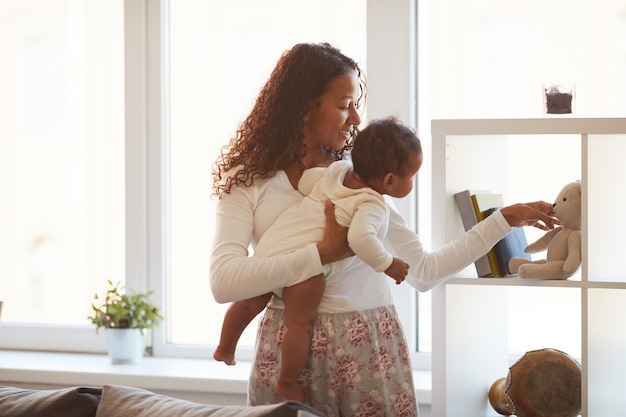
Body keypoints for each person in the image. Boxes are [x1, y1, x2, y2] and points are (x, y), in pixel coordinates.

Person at [209, 42, 557, 417]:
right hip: (286, 353)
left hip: (366, 347)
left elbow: (423, 271)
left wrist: (501, 220)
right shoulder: (250, 180)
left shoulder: (361, 182)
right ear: (305, 107)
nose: (356, 119)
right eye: (344, 104)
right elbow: (224, 282)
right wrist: (323, 253)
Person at [213, 117, 421, 402]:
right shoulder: (371, 203)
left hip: (277, 242)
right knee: (300, 323)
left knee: (251, 300)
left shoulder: (336, 171)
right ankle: (287, 381)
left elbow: (308, 181)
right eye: (411, 176)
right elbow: (362, 240)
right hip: (305, 264)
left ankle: (225, 346)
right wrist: (389, 263)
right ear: (388, 180)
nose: (352, 115)